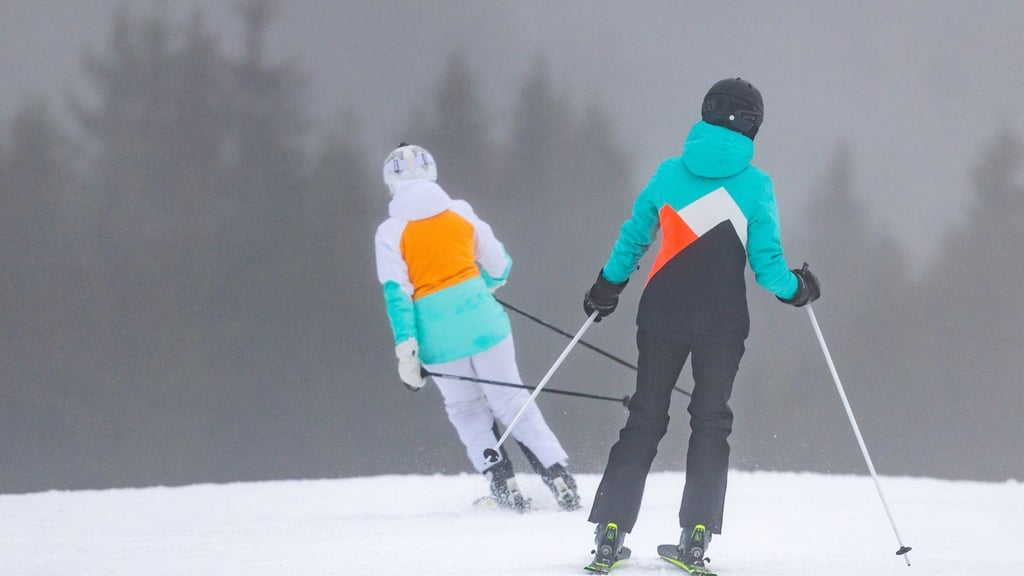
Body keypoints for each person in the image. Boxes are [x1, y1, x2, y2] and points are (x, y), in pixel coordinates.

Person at [581, 78, 821, 573]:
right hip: (723, 322)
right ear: (753, 125)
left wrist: (607, 286)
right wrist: (799, 289)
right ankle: (695, 537)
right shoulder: (756, 185)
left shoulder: (670, 173)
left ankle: (610, 531)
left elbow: (634, 238)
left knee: (645, 416)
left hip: (662, 311)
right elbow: (768, 266)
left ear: (706, 114)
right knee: (711, 421)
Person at [374, 143, 581, 512]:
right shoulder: (460, 212)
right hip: (484, 320)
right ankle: (558, 476)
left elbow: (397, 294)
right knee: (511, 399)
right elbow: (499, 265)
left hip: (436, 336)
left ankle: (505, 487)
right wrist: (477, 288)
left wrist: (406, 350)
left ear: (390, 183)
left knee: (466, 408)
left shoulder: (390, 232)